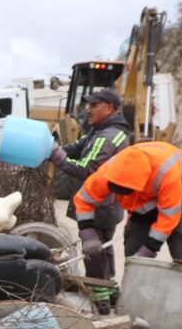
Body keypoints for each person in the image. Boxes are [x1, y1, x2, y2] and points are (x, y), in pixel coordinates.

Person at [74, 141, 182, 266]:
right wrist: (88, 233)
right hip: (145, 197)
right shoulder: (109, 172)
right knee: (133, 250)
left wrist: (150, 249)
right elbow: (83, 199)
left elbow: (168, 216)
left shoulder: (167, 174)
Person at [49, 88, 132, 279]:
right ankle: (109, 295)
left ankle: (100, 299)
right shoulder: (99, 132)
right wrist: (52, 149)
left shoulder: (108, 137)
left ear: (109, 108)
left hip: (99, 206)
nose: (88, 109)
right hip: (105, 205)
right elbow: (76, 148)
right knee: (103, 250)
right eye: (88, 104)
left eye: (94, 105)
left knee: (94, 253)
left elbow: (87, 169)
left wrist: (57, 156)